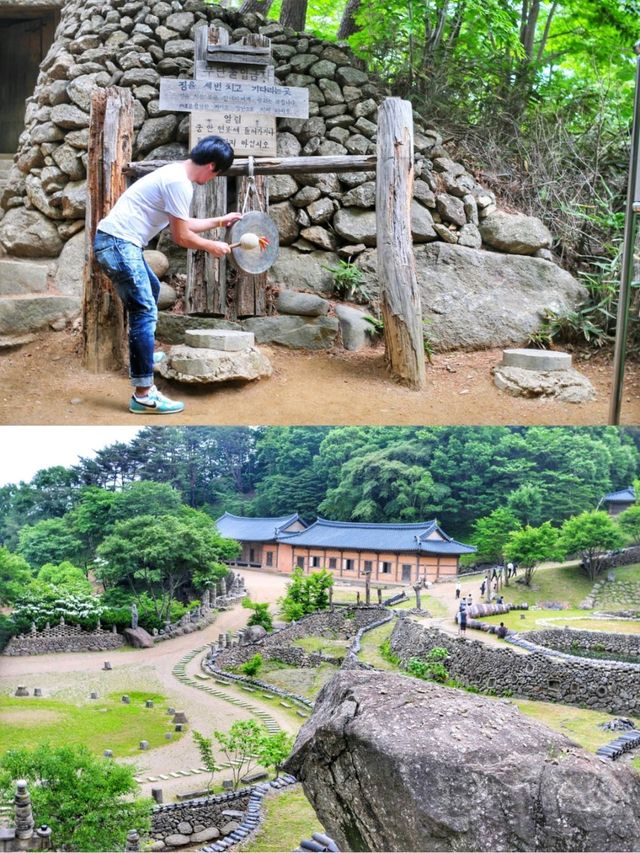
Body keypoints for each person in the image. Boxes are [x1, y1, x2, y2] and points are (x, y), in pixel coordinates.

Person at [93, 136, 243, 415]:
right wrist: (212, 245)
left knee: (149, 291)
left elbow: (182, 224)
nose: (213, 179)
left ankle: (144, 359)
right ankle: (144, 395)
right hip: (118, 243)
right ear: (212, 166)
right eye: (217, 174)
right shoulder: (179, 183)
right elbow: (181, 236)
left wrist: (221, 221)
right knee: (145, 309)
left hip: (118, 242)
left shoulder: (175, 174)